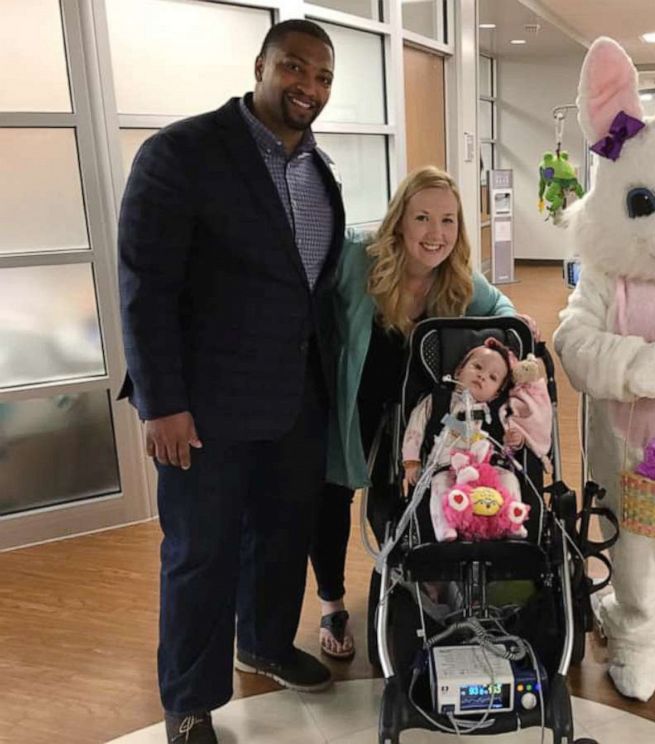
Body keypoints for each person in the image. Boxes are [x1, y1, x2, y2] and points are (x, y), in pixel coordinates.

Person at [118, 20, 343, 744]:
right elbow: (146, 287)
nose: (308, 87)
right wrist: (163, 404)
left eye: (323, 77)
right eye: (295, 69)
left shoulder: (319, 171)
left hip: (294, 401)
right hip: (204, 408)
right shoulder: (181, 154)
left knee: (282, 538)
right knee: (200, 554)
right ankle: (188, 700)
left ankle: (266, 643)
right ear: (261, 66)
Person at [310, 166, 527, 659]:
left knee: (400, 499)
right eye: (423, 218)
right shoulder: (357, 260)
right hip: (352, 400)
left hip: (415, 413)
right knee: (330, 499)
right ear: (400, 221)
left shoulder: (457, 279)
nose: (436, 234)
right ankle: (332, 604)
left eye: (448, 221)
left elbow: (505, 309)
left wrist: (520, 329)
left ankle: (407, 580)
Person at [401, 339, 528, 541]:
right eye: (477, 367)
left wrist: (512, 440)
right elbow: (415, 428)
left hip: (487, 472)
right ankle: (444, 527)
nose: (482, 376)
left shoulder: (495, 412)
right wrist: (411, 461)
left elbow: (503, 448)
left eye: (492, 377)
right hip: (447, 466)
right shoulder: (438, 401)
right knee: (439, 486)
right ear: (459, 371)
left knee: (510, 479)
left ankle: (512, 521)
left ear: (496, 393)